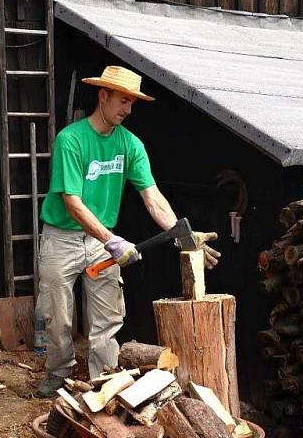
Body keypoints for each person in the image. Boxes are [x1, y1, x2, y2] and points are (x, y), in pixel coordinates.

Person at [35, 65, 219, 398]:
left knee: (107, 317)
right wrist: (112, 240)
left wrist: (184, 237)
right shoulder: (71, 140)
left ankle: (103, 382)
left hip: (101, 241)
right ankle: (59, 372)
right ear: (102, 96)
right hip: (61, 238)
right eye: (122, 101)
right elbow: (72, 202)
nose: (127, 109)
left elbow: (152, 197)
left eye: (132, 103)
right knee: (56, 314)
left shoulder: (130, 144)